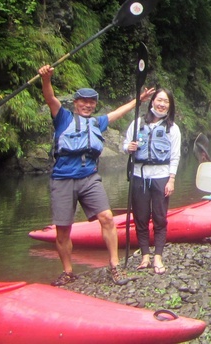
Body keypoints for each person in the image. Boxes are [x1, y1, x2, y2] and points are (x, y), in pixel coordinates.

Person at [38, 64, 154, 287]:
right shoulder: (62, 117)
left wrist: (140, 99)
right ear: (76, 103)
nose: (88, 105)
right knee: (63, 230)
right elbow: (50, 97)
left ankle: (114, 266)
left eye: (91, 102)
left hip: (89, 178)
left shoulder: (97, 123)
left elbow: (120, 111)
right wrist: (46, 79)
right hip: (63, 179)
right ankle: (68, 271)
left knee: (107, 218)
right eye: (83, 101)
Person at [122, 87, 181, 275]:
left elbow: (175, 156)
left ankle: (158, 256)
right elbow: (125, 145)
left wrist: (171, 180)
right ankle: (145, 256)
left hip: (161, 176)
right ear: (152, 101)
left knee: (159, 217)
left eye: (166, 102)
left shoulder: (172, 128)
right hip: (139, 175)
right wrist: (128, 148)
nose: (162, 104)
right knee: (140, 217)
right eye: (159, 100)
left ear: (170, 106)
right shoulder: (138, 122)